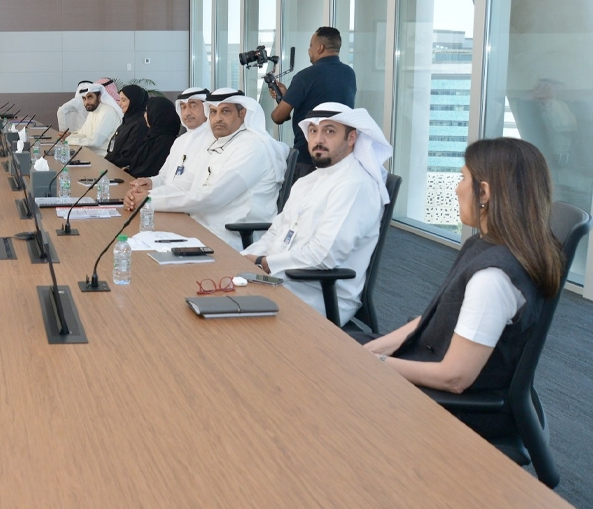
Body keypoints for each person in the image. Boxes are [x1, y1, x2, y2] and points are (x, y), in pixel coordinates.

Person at [362, 138, 566, 395]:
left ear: (484, 193)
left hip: (444, 404)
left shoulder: (493, 278)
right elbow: (431, 318)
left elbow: (454, 377)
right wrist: (370, 351)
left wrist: (375, 363)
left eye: (462, 178)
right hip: (426, 358)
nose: (457, 188)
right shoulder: (485, 245)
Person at [241, 103, 390, 324]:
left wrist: (264, 262)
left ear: (351, 138)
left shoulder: (353, 185)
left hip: (317, 296)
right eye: (313, 131)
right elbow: (275, 232)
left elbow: (324, 256)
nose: (318, 139)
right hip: (280, 281)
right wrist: (244, 259)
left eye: (329, 131)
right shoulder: (308, 180)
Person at [123, 88, 287, 249]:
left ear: (242, 114)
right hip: (200, 225)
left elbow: (212, 197)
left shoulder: (252, 147)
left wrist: (149, 201)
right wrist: (145, 195)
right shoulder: (217, 144)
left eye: (226, 111)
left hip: (231, 235)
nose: (218, 118)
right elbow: (184, 185)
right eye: (213, 112)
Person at [269, 26, 357, 182]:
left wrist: (284, 100)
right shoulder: (349, 74)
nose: (309, 50)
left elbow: (278, 117)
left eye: (311, 45)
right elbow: (321, 99)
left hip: (309, 159)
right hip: (339, 156)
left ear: (320, 48)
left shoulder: (305, 76)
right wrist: (290, 95)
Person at [126, 96, 183, 178]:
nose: (144, 115)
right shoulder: (152, 135)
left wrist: (129, 173)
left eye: (147, 111)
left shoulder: (165, 141)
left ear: (157, 114)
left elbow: (150, 170)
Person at [66, 83, 120, 157]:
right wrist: (69, 135)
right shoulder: (93, 112)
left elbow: (95, 142)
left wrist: (68, 140)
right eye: (84, 98)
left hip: (105, 158)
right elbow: (83, 133)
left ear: (99, 97)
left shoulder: (107, 112)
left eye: (90, 97)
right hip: (93, 155)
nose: (87, 102)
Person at [105, 85, 151, 171]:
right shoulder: (128, 120)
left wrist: (108, 164)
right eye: (120, 100)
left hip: (122, 171)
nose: (120, 104)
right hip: (113, 166)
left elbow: (128, 155)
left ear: (134, 101)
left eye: (123, 100)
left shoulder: (139, 124)